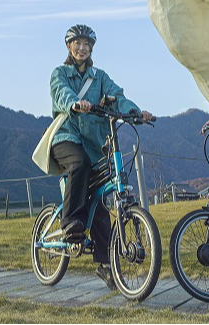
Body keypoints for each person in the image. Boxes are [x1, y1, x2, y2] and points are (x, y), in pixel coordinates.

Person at [49, 23, 156, 290]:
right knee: (80, 164)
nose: (82, 48)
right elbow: (61, 93)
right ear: (69, 46)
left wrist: (135, 111)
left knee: (99, 202)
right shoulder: (59, 73)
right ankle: (71, 221)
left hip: (93, 144)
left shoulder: (100, 77)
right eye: (77, 43)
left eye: (87, 44)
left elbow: (117, 97)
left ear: (91, 48)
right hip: (65, 139)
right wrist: (76, 102)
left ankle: (106, 265)